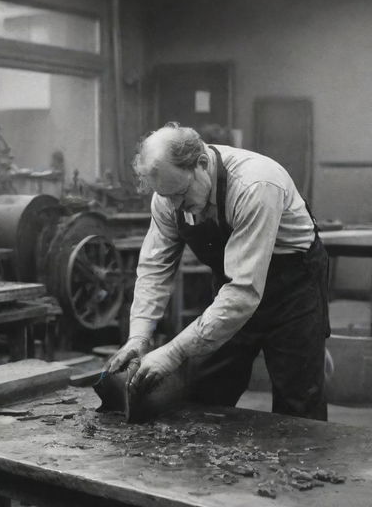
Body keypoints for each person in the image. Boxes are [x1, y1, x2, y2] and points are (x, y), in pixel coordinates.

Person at [106, 122, 330, 420]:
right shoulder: (167, 196)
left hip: (292, 287)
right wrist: (139, 337)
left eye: (180, 194)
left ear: (201, 163)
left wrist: (173, 352)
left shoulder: (255, 185)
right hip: (232, 282)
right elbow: (155, 268)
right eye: (166, 196)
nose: (175, 206)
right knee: (206, 389)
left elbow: (243, 292)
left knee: (299, 402)